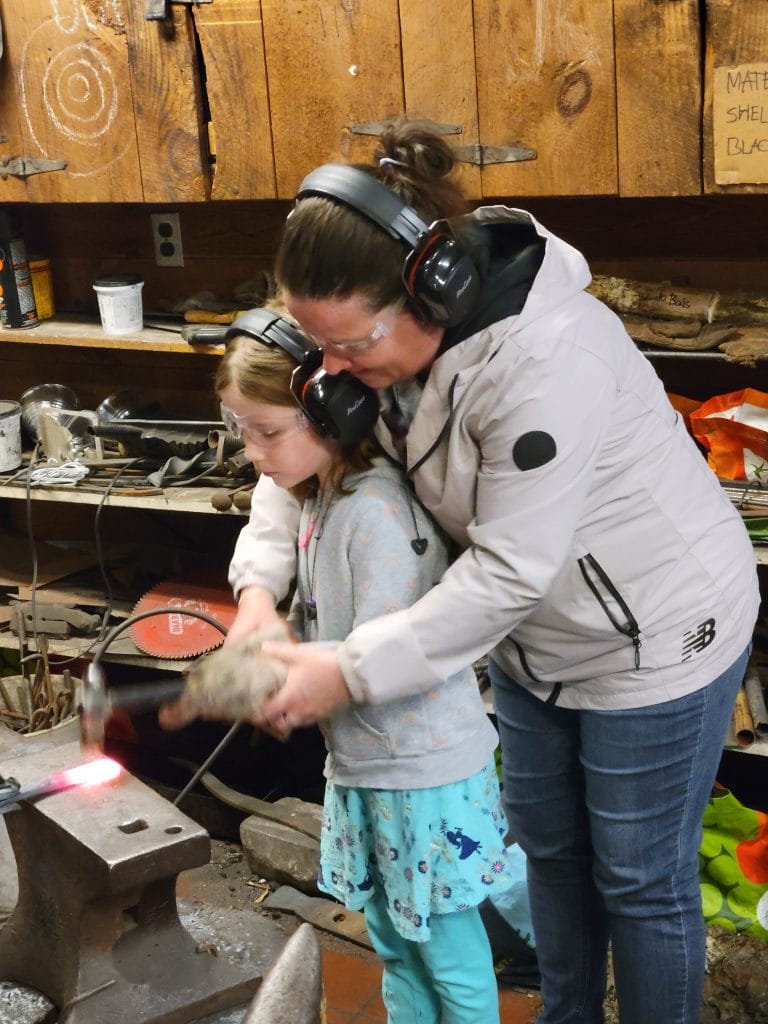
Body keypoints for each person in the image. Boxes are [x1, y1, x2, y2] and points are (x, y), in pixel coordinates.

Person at [227, 122, 760, 1024]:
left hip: (656, 637)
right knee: (551, 857)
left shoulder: (547, 363)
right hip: (531, 646)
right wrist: (255, 593)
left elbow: (510, 571)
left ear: (434, 289)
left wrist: (347, 669)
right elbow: (306, 442)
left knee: (639, 880)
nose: (333, 375)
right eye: (320, 350)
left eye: (348, 348)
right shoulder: (369, 349)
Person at [163, 306, 516, 1023]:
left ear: (331, 416)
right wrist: (262, 626)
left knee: (449, 953)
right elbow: (312, 607)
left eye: (267, 432)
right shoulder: (321, 492)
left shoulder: (376, 517)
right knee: (392, 938)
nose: (253, 454)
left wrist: (282, 673)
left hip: (424, 774)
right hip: (369, 764)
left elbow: (381, 651)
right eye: (240, 431)